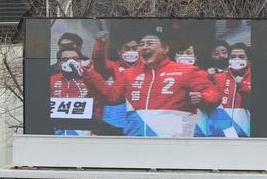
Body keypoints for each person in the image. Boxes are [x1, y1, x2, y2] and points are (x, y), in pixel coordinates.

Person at [78, 31, 221, 138]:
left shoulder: (187, 71)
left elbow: (214, 94)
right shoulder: (129, 73)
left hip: (175, 144)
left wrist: (203, 98)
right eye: (141, 44)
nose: (145, 47)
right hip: (136, 142)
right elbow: (111, 96)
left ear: (165, 49)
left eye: (150, 43)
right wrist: (89, 73)